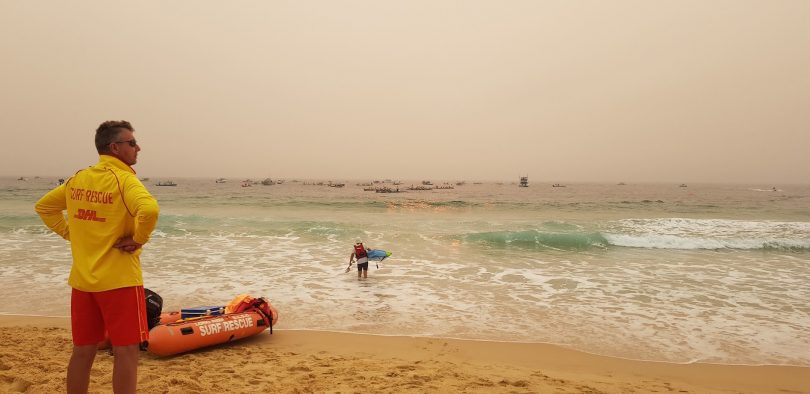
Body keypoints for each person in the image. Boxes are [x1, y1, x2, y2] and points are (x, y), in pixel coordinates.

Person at [35, 120, 159, 394]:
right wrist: (138, 239)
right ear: (115, 147)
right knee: (126, 352)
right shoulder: (124, 179)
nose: (138, 148)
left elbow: (44, 207)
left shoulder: (78, 178)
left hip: (83, 282)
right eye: (132, 143)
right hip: (119, 282)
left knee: (83, 351)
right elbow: (149, 210)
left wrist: (70, 233)